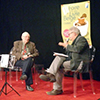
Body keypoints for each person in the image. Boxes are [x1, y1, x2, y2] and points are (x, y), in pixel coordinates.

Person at [39, 26, 90, 95]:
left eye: (69, 34)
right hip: (74, 61)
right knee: (59, 59)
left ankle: (54, 82)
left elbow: (77, 49)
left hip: (80, 63)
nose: (68, 36)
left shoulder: (81, 39)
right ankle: (51, 76)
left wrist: (66, 45)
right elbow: (71, 53)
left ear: (74, 33)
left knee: (58, 66)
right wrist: (65, 49)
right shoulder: (75, 42)